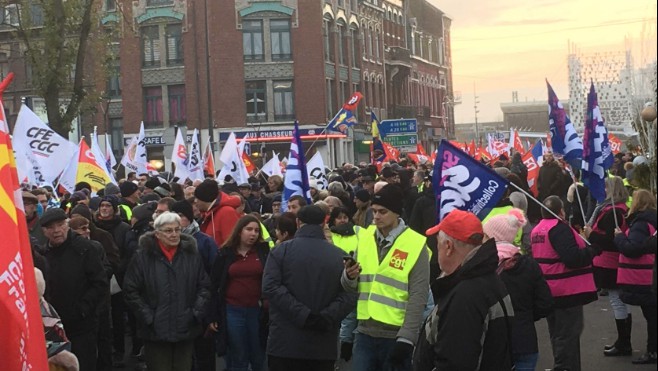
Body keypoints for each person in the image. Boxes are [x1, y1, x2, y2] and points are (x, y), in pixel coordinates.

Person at [341, 184, 429, 371]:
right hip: (365, 331)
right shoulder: (364, 239)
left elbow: (418, 296)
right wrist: (349, 276)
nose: (376, 217)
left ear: (397, 213)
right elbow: (351, 288)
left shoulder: (415, 243)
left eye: (382, 211)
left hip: (395, 335)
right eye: (374, 211)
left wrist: (407, 338)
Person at [413, 209, 513, 371]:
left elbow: (455, 362)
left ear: (448, 247)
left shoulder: (465, 295)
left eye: (437, 244)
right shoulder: (488, 279)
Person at [263, 205, 358, 371]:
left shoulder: (280, 251)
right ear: (324, 223)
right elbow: (350, 293)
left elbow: (271, 287)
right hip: (323, 346)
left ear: (298, 222)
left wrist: (303, 315)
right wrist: (325, 316)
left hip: (285, 344)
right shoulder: (340, 255)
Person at [123, 212, 210, 371]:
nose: (174, 234)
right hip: (155, 331)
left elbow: (204, 286)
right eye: (168, 231)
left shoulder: (191, 254)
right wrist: (148, 317)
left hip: (186, 326)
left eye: (177, 229)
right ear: (157, 234)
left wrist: (195, 313)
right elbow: (130, 290)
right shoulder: (143, 256)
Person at [531, 196, 598, 371]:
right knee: (568, 334)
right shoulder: (559, 229)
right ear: (561, 211)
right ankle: (565, 367)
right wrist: (592, 250)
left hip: (549, 288)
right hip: (566, 290)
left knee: (558, 334)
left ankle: (564, 365)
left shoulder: (538, 229)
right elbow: (573, 258)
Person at [483, 209, 554, 370]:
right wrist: (527, 315)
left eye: (486, 235)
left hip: (494, 343)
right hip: (525, 340)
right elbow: (546, 303)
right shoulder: (529, 265)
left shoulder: (486, 266)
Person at [41, 208, 109, 371]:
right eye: (51, 227)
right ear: (44, 231)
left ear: (67, 225)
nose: (56, 231)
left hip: (81, 326)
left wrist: (83, 310)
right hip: (53, 329)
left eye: (60, 225)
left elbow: (99, 283)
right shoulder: (43, 254)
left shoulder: (86, 248)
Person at [207, 215, 270, 371]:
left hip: (257, 310)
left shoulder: (263, 252)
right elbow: (214, 286)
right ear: (239, 231)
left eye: (256, 230)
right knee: (238, 355)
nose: (253, 234)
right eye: (249, 229)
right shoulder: (225, 253)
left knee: (258, 354)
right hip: (232, 310)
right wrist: (212, 316)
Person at [582, 176, 632, 356]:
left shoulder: (613, 212)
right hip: (611, 260)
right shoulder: (617, 209)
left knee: (617, 301)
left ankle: (624, 343)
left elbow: (611, 240)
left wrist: (591, 235)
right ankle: (623, 341)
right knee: (619, 301)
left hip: (610, 261)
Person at [614, 189, 657, 364]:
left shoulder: (641, 223)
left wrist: (618, 238)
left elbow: (633, 249)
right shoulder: (652, 220)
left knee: (652, 316)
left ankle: (652, 351)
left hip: (643, 275)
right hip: (650, 272)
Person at [194, 179, 241, 248]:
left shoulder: (226, 212)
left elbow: (232, 243)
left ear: (204, 199)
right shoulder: (209, 214)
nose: (195, 201)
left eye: (197, 198)